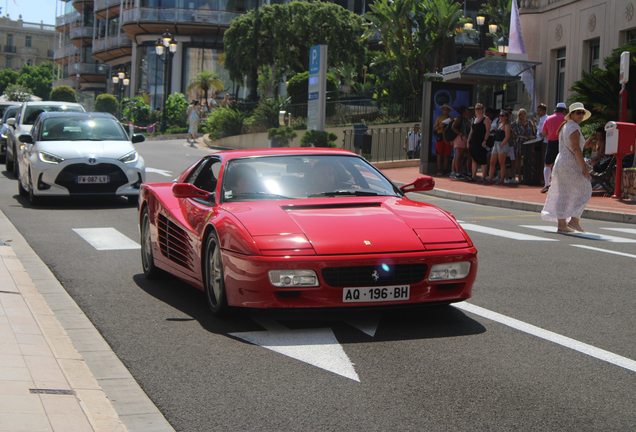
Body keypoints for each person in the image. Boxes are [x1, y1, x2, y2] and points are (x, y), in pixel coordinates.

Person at [541, 102, 593, 233]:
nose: (581, 115)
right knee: (585, 189)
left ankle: (562, 225)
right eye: (578, 112)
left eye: (582, 112)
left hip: (562, 161)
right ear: (571, 114)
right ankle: (574, 221)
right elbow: (576, 148)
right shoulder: (573, 127)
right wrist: (584, 166)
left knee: (563, 192)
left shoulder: (567, 126)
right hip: (570, 162)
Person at [540, 102, 568, 193]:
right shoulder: (566, 119)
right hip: (563, 143)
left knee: (548, 164)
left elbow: (544, 133)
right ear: (564, 110)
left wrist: (551, 133)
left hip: (551, 142)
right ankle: (561, 185)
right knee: (562, 163)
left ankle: (546, 184)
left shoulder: (549, 119)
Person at [509, 108, 537, 183]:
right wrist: (514, 135)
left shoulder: (529, 122)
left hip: (527, 142)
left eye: (524, 114)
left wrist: (532, 137)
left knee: (527, 159)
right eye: (521, 114)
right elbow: (510, 128)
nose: (522, 115)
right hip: (519, 141)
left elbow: (534, 131)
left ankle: (526, 175)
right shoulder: (516, 123)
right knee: (518, 158)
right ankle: (519, 176)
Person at [467, 103, 491, 182]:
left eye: (479, 108)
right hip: (474, 142)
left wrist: (485, 140)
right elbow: (471, 131)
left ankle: (484, 177)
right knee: (474, 159)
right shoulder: (474, 119)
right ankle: (473, 176)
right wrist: (468, 141)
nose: (477, 110)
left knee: (482, 159)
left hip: (481, 142)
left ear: (482, 110)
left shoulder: (486, 119)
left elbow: (488, 131)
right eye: (476, 109)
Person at [487, 110, 511, 185]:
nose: (501, 117)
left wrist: (501, 145)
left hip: (502, 144)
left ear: (506, 117)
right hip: (496, 144)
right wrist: (495, 146)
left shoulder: (507, 126)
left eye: (503, 116)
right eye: (500, 115)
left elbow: (507, 137)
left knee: (501, 162)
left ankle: (502, 179)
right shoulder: (499, 124)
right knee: (492, 162)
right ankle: (490, 178)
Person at [451, 106, 471, 179]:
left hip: (465, 139)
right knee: (459, 157)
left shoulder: (466, 119)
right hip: (460, 139)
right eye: (466, 110)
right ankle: (458, 174)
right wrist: (460, 133)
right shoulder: (459, 118)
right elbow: (453, 127)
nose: (468, 111)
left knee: (468, 156)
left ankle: (466, 172)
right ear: (463, 111)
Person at [433, 104, 454, 175]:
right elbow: (435, 128)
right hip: (440, 138)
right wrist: (440, 126)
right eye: (444, 109)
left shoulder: (451, 118)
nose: (445, 111)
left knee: (446, 154)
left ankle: (446, 169)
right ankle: (439, 169)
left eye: (447, 110)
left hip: (448, 138)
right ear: (442, 110)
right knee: (439, 154)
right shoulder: (439, 118)